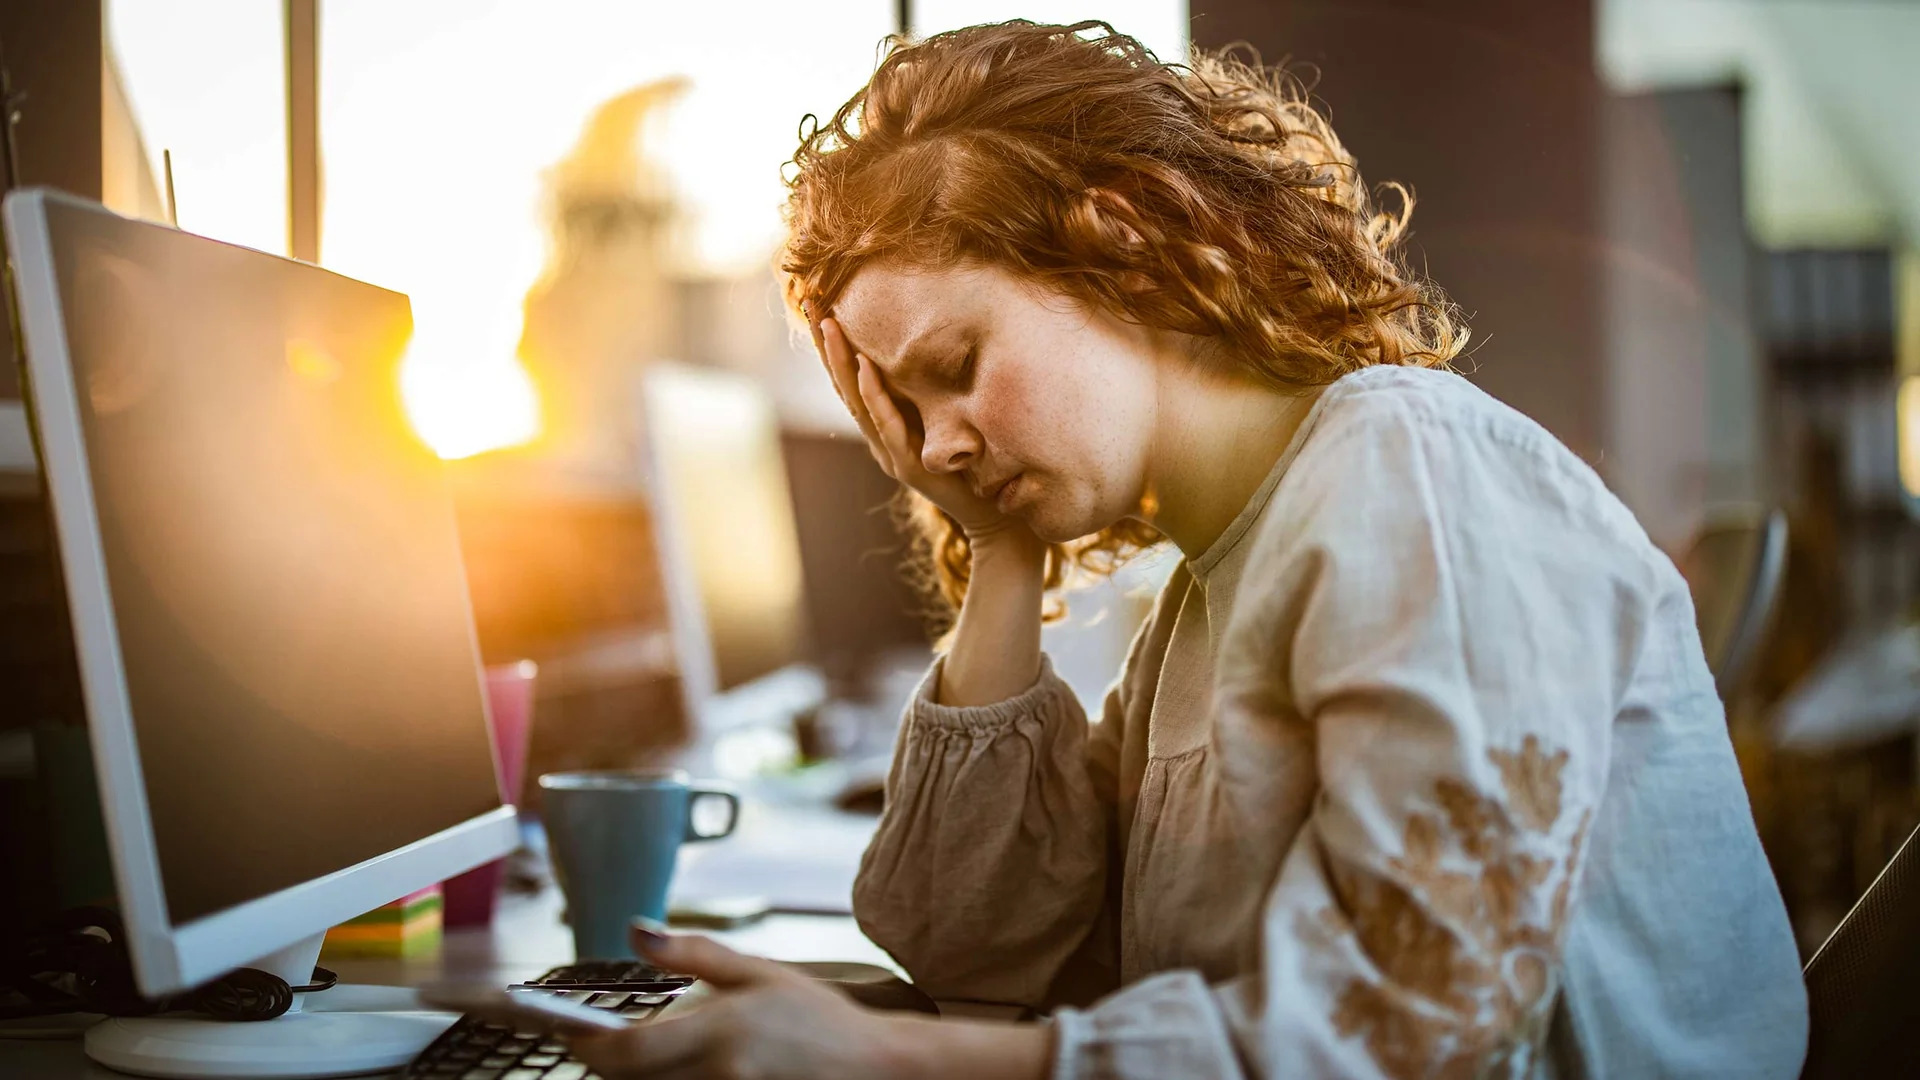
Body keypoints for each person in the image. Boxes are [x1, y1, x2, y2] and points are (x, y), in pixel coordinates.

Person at [568, 20, 1809, 1079]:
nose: (936, 444)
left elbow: (1420, 1037)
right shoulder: (1206, 586)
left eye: (956, 370)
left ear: (1121, 246)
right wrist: (996, 548)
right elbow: (976, 940)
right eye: (904, 409)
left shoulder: (1406, 469)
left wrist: (888, 1060)